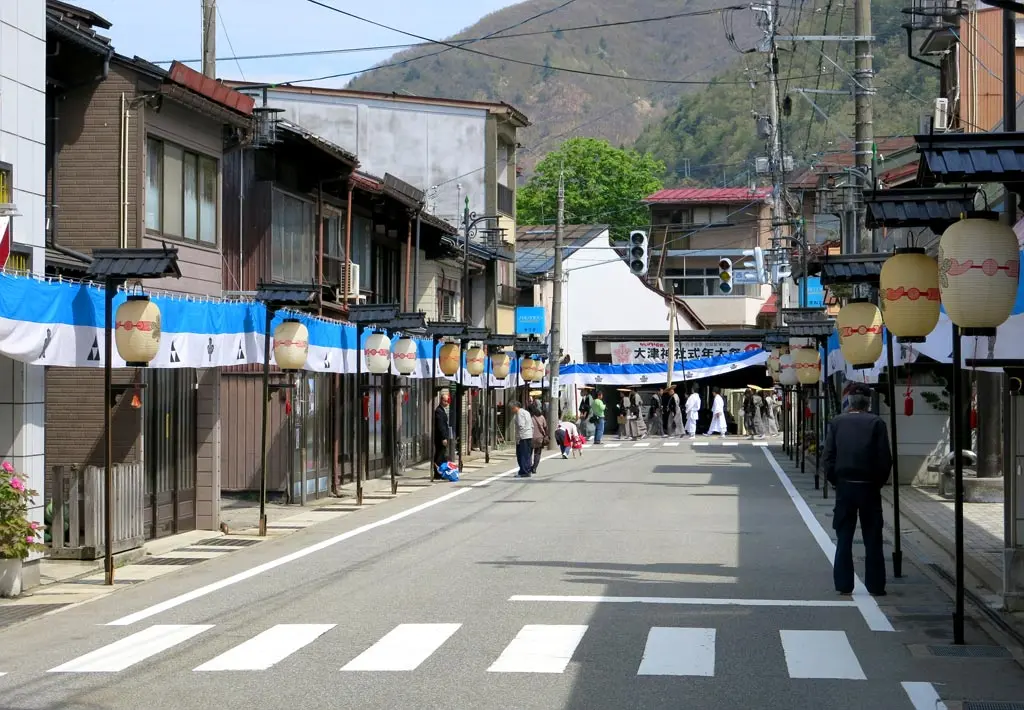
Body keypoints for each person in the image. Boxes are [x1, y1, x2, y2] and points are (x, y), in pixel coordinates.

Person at [823, 383, 892, 597]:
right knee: (873, 537)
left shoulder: (837, 422)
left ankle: (844, 583)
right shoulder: (876, 423)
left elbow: (828, 457)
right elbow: (884, 459)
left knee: (844, 536)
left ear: (848, 402)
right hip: (869, 486)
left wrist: (835, 480)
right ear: (868, 402)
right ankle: (876, 585)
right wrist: (877, 482)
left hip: (845, 486)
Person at [510, 401, 533, 478]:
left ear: (515, 407)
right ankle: (527, 470)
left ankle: (524, 471)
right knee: (527, 455)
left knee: (521, 455)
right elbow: (531, 425)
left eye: (512, 408)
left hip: (523, 437)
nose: (511, 410)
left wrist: (518, 438)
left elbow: (521, 426)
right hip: (529, 435)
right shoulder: (526, 412)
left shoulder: (519, 413)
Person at [433, 388, 452, 481]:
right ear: (441, 400)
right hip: (440, 438)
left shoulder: (442, 410)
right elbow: (441, 426)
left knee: (443, 456)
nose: (447, 403)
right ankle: (437, 473)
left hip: (442, 437)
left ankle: (443, 472)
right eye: (445, 401)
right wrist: (444, 438)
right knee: (439, 456)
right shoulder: (439, 411)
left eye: (447, 401)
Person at [529, 402, 548, 474]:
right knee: (537, 453)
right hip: (540, 438)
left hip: (530, 437)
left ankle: (529, 467)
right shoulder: (542, 417)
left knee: (529, 453)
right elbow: (545, 427)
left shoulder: (530, 417)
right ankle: (534, 468)